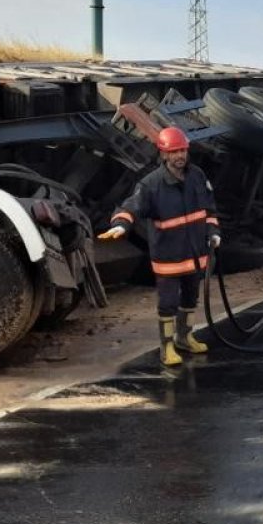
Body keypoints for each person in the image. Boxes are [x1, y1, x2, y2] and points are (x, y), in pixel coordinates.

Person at [99, 127, 221, 368]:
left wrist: (214, 232)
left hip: (195, 255)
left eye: (183, 150)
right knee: (167, 304)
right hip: (169, 257)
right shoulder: (151, 184)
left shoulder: (197, 176)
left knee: (190, 298)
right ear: (164, 154)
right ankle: (167, 347)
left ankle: (184, 337)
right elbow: (131, 207)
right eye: (174, 151)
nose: (180, 155)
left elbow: (209, 210)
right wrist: (122, 224)